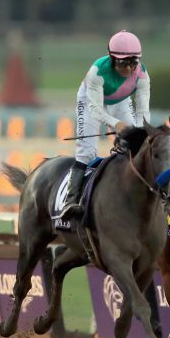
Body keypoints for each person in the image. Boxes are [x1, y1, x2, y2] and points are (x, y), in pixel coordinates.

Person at [60, 30, 151, 220]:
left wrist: (143, 131)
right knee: (87, 152)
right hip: (91, 102)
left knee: (134, 145)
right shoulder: (97, 72)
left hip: (120, 102)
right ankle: (71, 200)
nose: (128, 68)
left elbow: (143, 111)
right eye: (122, 62)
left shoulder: (142, 75)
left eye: (133, 62)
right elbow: (95, 110)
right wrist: (116, 125)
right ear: (111, 58)